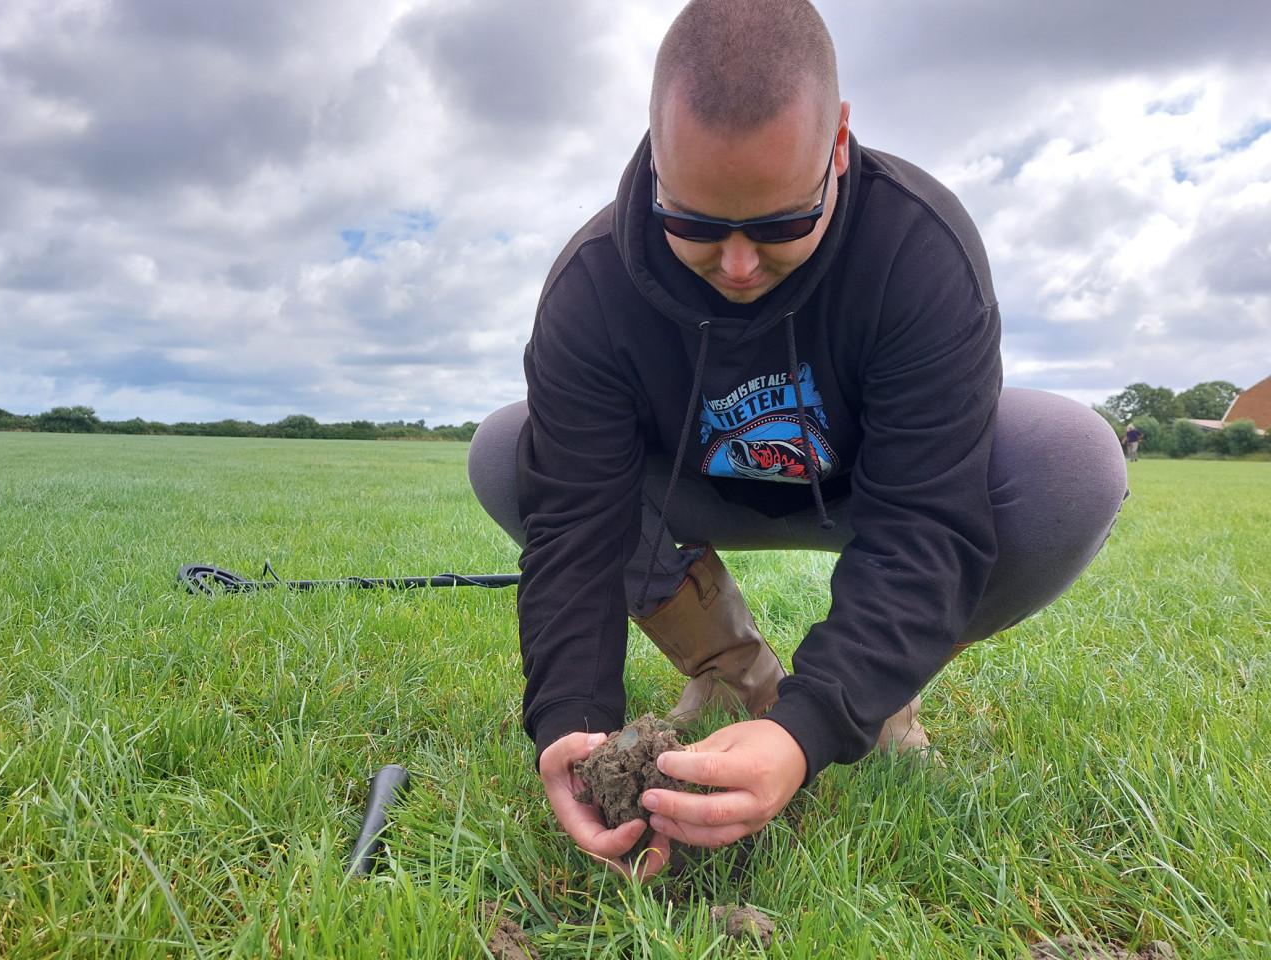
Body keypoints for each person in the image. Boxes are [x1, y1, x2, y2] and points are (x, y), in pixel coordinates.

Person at [467, 0, 1127, 879]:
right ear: (657, 155)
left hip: (868, 484)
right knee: (510, 451)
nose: (738, 264)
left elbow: (927, 523)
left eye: (781, 224)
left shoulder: (920, 252)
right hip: (691, 483)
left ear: (839, 144)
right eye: (696, 224)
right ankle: (733, 671)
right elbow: (576, 531)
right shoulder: (592, 286)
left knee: (1072, 461)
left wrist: (811, 725)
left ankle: (881, 693)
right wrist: (572, 726)